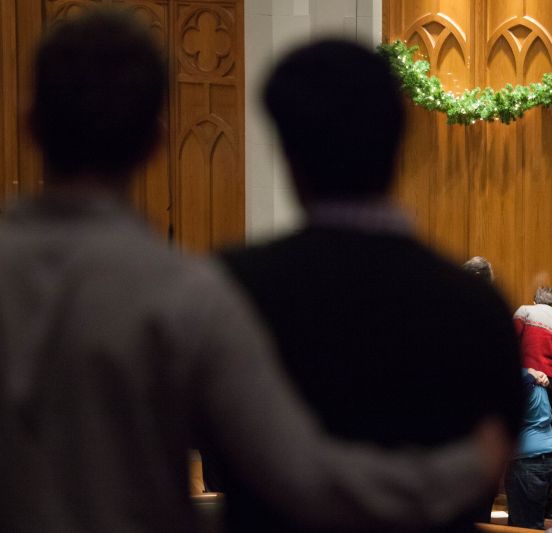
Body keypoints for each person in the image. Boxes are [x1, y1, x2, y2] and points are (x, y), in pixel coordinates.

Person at [0, 10, 515, 532]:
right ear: (157, 143)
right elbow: (305, 478)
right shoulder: (187, 295)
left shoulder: (217, 286)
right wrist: (466, 467)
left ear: (28, 124)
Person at [203, 39, 524, 533]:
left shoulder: (230, 290)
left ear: (287, 154)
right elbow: (490, 460)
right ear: (400, 144)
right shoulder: (475, 305)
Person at [504, 370, 552, 530]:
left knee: (525, 527)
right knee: (529, 521)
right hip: (550, 456)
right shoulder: (540, 380)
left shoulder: (521, 381)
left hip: (528, 461)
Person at [513, 286, 552, 431]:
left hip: (526, 378)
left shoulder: (524, 311)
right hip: (551, 385)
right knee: (546, 432)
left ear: (534, 301)